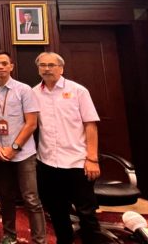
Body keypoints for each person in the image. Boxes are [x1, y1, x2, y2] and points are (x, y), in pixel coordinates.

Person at [31, 52, 102, 244]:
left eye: (51, 65)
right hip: (47, 162)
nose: (47, 69)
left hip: (77, 162)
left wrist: (92, 158)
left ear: (61, 68)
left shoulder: (78, 91)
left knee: (86, 212)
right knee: (57, 210)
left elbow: (90, 125)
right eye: (42, 65)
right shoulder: (34, 93)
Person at [0, 50, 46, 244]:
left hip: (23, 153)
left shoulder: (24, 90)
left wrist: (14, 148)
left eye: (4, 63)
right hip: (0, 153)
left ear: (11, 66)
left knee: (31, 198)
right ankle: (9, 236)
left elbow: (31, 124)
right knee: (6, 197)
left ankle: (39, 240)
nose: (0, 67)